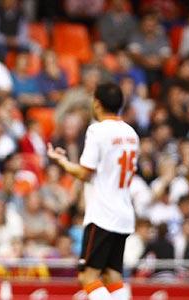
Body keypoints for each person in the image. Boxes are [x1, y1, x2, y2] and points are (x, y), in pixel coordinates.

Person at [47, 82, 139, 300]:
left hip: (103, 214)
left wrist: (62, 162)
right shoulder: (131, 133)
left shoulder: (97, 131)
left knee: (88, 277)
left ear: (96, 104)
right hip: (124, 212)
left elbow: (85, 173)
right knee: (112, 275)